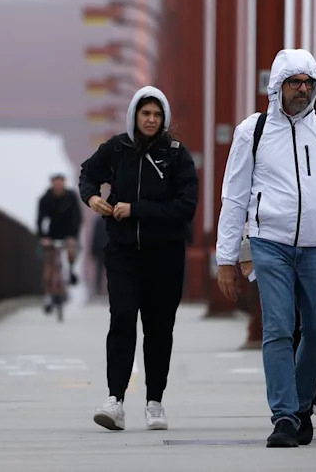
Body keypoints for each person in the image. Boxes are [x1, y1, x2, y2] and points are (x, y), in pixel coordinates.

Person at [216, 49, 316, 448]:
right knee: (280, 328)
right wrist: (226, 258)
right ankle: (284, 416)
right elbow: (234, 196)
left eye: (308, 83)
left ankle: (300, 405)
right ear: (277, 87)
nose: (302, 89)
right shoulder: (253, 131)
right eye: (294, 82)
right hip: (271, 244)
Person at [79, 86, 198, 432]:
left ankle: (154, 402)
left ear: (165, 120)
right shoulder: (117, 149)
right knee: (122, 319)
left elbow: (185, 207)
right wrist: (92, 199)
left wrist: (135, 210)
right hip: (123, 253)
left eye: (157, 115)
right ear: (134, 116)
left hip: (165, 255)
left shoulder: (176, 156)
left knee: (159, 329)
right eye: (145, 113)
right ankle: (114, 400)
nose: (151, 119)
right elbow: (87, 174)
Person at [239, 90, 316, 429]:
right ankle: (287, 411)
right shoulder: (269, 139)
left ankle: (315, 400)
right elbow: (249, 195)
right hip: (278, 246)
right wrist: (242, 252)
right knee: (282, 325)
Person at [36, 173, 81, 316]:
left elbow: (77, 217)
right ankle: (48, 296)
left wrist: (74, 235)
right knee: (49, 268)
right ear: (52, 184)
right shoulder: (45, 199)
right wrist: (43, 237)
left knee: (71, 251)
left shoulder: (71, 197)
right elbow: (40, 219)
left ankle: (71, 271)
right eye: (56, 182)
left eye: (61, 182)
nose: (58, 185)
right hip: (52, 235)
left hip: (68, 234)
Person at [90, 214, 109, 296]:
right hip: (103, 248)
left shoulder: (98, 220)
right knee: (101, 270)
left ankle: (100, 288)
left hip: (104, 248)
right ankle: (98, 289)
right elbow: (95, 236)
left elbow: (95, 236)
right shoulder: (99, 220)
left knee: (102, 270)